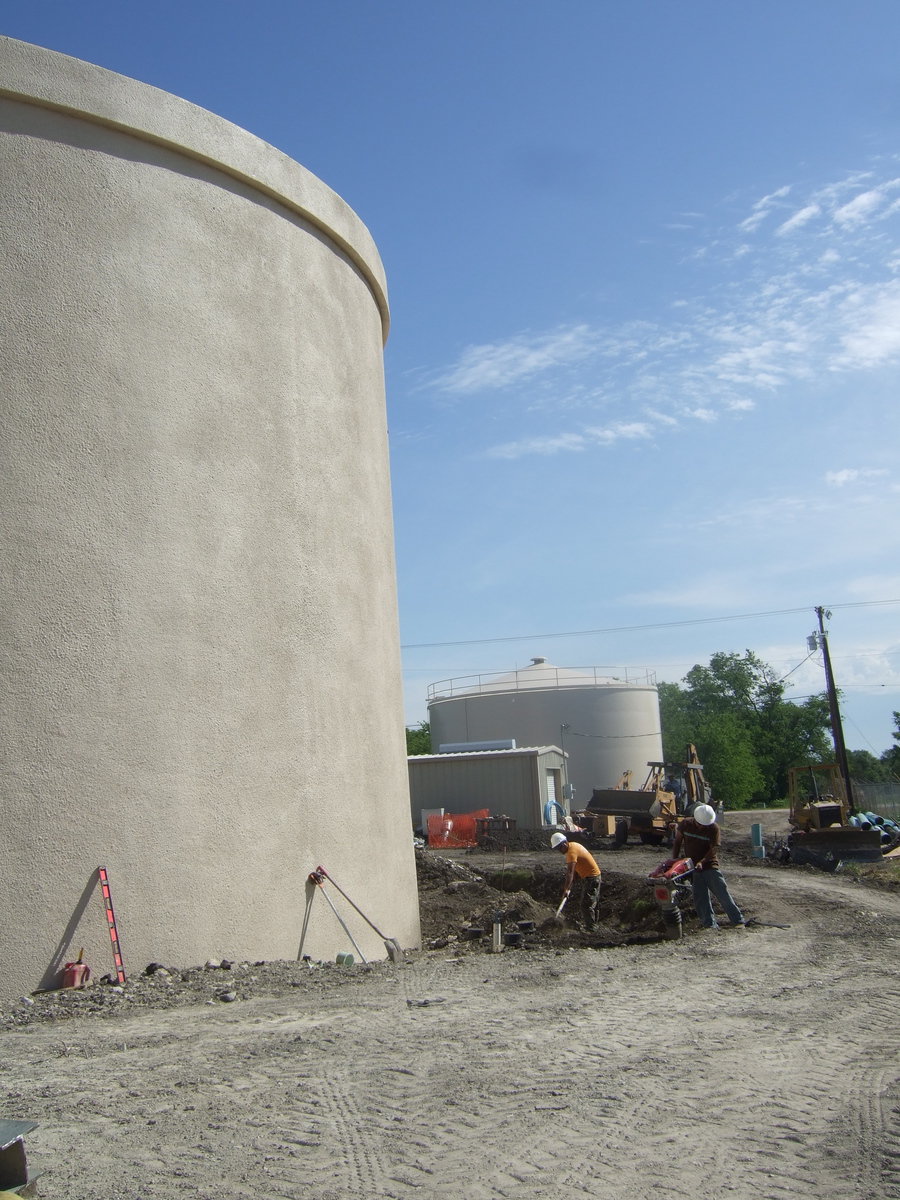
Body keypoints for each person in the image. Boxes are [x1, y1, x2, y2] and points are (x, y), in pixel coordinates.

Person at [672, 803, 745, 929]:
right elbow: (678, 841)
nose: (701, 827)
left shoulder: (713, 828)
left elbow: (714, 849)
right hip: (692, 867)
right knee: (700, 898)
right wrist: (675, 861)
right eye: (700, 824)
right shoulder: (685, 824)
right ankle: (709, 925)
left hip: (710, 866)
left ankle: (738, 921)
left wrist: (702, 861)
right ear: (695, 819)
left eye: (704, 825)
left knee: (722, 894)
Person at [550, 832, 601, 929]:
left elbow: (570, 872)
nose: (559, 851)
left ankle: (591, 928)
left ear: (564, 844)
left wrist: (566, 889)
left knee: (586, 905)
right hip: (592, 876)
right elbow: (580, 865)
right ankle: (593, 925)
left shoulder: (571, 852)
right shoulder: (573, 846)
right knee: (592, 903)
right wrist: (572, 882)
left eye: (559, 848)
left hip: (592, 877)